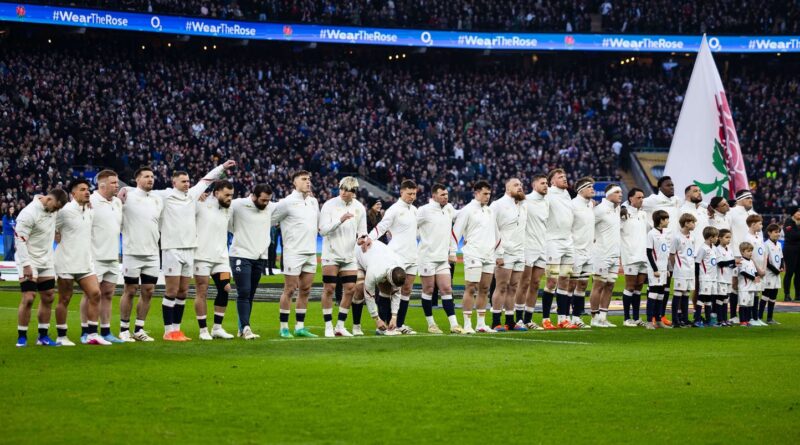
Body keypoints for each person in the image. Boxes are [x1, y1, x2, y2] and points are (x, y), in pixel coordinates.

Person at [139, 160, 234, 341]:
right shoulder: (164, 195)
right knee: (172, 290)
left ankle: (177, 329)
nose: (187, 183)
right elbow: (142, 191)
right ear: (174, 182)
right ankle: (168, 331)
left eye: (188, 181)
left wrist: (222, 167)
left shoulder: (192, 196)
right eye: (183, 181)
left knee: (183, 291)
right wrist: (124, 190)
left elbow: (207, 180)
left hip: (190, 249)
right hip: (172, 248)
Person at [54, 179, 108, 346]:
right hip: (66, 261)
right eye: (82, 189)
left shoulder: (89, 210)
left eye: (88, 190)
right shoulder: (64, 212)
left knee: (95, 294)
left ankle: (91, 334)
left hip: (85, 261)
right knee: (65, 298)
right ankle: (61, 336)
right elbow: (51, 227)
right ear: (73, 193)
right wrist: (56, 235)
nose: (87, 192)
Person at [14, 189, 68, 347]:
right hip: (29, 260)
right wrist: (26, 265)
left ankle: (42, 337)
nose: (56, 211)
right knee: (29, 297)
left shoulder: (53, 209)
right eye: (56, 207)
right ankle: (22, 336)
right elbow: (20, 240)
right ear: (49, 199)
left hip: (47, 260)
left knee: (49, 296)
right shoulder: (28, 213)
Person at [318, 176, 369, 338]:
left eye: (348, 190)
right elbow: (323, 230)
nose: (344, 192)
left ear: (354, 192)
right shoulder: (329, 205)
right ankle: (328, 325)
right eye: (342, 188)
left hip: (349, 254)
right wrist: (340, 220)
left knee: (350, 289)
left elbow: (362, 230)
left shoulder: (359, 207)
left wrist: (362, 239)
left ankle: (340, 325)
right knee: (329, 289)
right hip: (331, 254)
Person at [272, 170, 321, 338]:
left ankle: (300, 327)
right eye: (304, 179)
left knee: (305, 290)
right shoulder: (286, 202)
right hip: (293, 252)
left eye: (309, 179)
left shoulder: (313, 202)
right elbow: (270, 220)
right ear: (294, 182)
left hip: (311, 251)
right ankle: (283, 327)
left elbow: (319, 224)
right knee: (290, 289)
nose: (308, 182)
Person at [368, 179, 419, 335]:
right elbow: (382, 226)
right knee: (390, 290)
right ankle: (383, 325)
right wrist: (369, 238)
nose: (412, 196)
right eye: (409, 193)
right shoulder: (394, 209)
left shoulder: (415, 210)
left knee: (407, 290)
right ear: (401, 192)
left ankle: (399, 324)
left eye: (414, 194)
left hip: (412, 256)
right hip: (397, 256)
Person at [119, 166, 164, 342]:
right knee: (130, 290)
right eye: (146, 176)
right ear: (137, 179)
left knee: (149, 291)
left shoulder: (157, 199)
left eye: (152, 176)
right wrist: (125, 188)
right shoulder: (127, 196)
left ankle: (139, 329)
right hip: (132, 252)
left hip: (153, 252)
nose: (150, 179)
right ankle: (123, 329)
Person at [453, 180, 499, 334]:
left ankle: (481, 324)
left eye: (489, 194)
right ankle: (467, 324)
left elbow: (496, 233)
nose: (488, 197)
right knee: (471, 287)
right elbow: (456, 232)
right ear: (476, 193)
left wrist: (499, 252)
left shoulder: (490, 211)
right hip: (473, 253)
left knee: (485, 289)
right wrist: (452, 251)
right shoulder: (467, 210)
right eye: (485, 193)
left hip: (488, 254)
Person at [229, 184, 273, 339]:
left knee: (251, 294)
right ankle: (246, 328)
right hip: (240, 254)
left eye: (268, 200)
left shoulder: (269, 208)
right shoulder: (238, 204)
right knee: (244, 291)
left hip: (260, 257)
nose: (266, 203)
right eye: (263, 200)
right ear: (253, 196)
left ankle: (242, 328)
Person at [193, 180, 236, 340]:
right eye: (226, 195)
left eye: (231, 195)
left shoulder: (228, 208)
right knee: (202, 291)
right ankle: (203, 330)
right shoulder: (200, 203)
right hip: (201, 256)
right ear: (216, 192)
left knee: (225, 288)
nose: (229, 198)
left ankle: (217, 328)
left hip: (221, 258)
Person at [417, 183, 462, 334]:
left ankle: (454, 325)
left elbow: (461, 215)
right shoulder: (424, 210)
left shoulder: (449, 208)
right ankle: (431, 324)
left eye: (447, 194)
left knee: (446, 289)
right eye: (442, 194)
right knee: (428, 290)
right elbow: (410, 225)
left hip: (442, 258)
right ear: (434, 196)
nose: (446, 197)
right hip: (427, 257)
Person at [87, 170, 125, 343]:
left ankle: (106, 331)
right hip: (94, 256)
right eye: (114, 183)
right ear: (102, 185)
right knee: (91, 294)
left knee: (108, 294)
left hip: (112, 256)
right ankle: (86, 330)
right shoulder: (90, 201)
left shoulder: (117, 202)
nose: (117, 186)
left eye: (117, 183)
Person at [489, 178, 527, 331]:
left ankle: (510, 321)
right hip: (504, 252)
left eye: (521, 185)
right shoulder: (497, 205)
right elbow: (492, 229)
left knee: (514, 287)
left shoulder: (523, 205)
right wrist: (498, 253)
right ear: (507, 188)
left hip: (520, 252)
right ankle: (496, 321)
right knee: (501, 287)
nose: (520, 187)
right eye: (516, 185)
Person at [354, 239, 408, 335]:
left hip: (377, 257)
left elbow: (396, 293)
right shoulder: (375, 272)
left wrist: (394, 317)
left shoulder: (400, 269)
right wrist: (376, 319)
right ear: (388, 277)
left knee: (386, 290)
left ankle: (382, 329)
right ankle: (356, 326)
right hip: (358, 254)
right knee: (359, 291)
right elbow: (369, 295)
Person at [542, 168, 574, 330]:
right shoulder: (548, 194)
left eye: (565, 176)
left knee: (565, 281)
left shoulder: (567, 194)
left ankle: (562, 318)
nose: (564, 178)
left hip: (568, 242)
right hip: (553, 242)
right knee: (551, 280)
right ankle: (546, 319)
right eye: (560, 177)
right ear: (552, 181)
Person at [516, 174, 549, 330]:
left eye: (547, 183)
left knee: (536, 284)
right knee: (524, 283)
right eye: (542, 183)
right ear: (534, 185)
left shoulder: (547, 202)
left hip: (542, 247)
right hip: (528, 247)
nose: (546, 185)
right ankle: (518, 319)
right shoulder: (526, 201)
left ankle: (528, 319)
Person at [590, 184, 622, 328]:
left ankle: (603, 317)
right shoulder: (599, 210)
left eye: (621, 192)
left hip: (615, 255)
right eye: (617, 192)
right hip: (601, 254)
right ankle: (594, 317)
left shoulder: (618, 209)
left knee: (610, 285)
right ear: (608, 194)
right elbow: (586, 225)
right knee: (598, 285)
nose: (620, 194)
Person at [569, 177, 595, 328]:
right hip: (575, 251)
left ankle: (576, 317)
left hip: (589, 251)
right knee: (571, 285)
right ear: (581, 190)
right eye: (590, 187)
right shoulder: (572, 205)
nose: (592, 189)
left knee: (583, 285)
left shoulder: (590, 205)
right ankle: (565, 316)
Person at [620, 188, 648, 327]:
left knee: (638, 287)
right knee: (630, 286)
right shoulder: (623, 213)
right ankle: (626, 318)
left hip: (643, 255)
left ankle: (636, 317)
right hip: (630, 255)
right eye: (638, 197)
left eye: (642, 197)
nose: (641, 200)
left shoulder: (643, 214)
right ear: (630, 198)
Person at [669, 213, 697, 327]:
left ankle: (685, 319)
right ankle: (675, 320)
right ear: (686, 223)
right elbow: (671, 254)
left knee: (686, 294)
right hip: (681, 270)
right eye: (692, 222)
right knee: (678, 294)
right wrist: (676, 267)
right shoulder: (676, 237)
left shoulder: (693, 237)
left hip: (690, 269)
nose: (694, 225)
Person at [645, 210, 671, 330]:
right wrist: (655, 269)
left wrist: (666, 269)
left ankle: (659, 320)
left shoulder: (665, 233)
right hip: (654, 269)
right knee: (653, 294)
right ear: (660, 220)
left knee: (661, 295)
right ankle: (649, 321)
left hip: (663, 269)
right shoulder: (651, 234)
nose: (668, 221)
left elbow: (664, 253)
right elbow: (649, 252)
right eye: (666, 219)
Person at [694, 227, 719, 327]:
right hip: (705, 277)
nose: (717, 238)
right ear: (710, 237)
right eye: (716, 237)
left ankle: (709, 320)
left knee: (709, 299)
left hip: (713, 278)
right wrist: (698, 277)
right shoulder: (703, 248)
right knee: (702, 297)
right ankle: (697, 320)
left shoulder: (714, 248)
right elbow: (697, 263)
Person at [745, 215, 768, 326]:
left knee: (757, 293)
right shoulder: (747, 237)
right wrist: (758, 269)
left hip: (761, 269)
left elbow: (763, 253)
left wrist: (763, 267)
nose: (761, 226)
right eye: (760, 223)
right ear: (753, 224)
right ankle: (750, 318)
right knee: (751, 293)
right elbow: (749, 256)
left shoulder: (759, 236)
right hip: (752, 270)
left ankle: (756, 317)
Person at [760, 223, 784, 324]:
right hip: (769, 274)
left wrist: (782, 266)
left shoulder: (778, 244)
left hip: (777, 274)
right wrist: (775, 270)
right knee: (765, 296)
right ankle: (759, 317)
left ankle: (770, 318)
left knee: (773, 296)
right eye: (775, 232)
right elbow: (766, 260)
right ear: (769, 233)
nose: (778, 234)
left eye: (778, 232)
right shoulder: (766, 244)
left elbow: (781, 257)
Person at [714, 229, 737, 326]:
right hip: (721, 278)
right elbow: (720, 263)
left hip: (728, 278)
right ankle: (720, 319)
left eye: (730, 237)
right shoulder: (717, 249)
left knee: (726, 299)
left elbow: (730, 263)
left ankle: (725, 319)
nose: (729, 240)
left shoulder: (730, 249)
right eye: (726, 237)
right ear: (719, 238)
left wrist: (735, 264)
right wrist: (732, 262)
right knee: (720, 298)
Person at [736, 242, 759, 327]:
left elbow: (755, 271)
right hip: (744, 287)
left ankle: (748, 320)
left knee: (749, 305)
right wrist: (753, 278)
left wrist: (757, 276)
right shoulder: (742, 261)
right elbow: (742, 272)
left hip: (751, 287)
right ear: (742, 252)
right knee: (743, 305)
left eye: (751, 251)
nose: (750, 253)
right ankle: (742, 321)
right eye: (748, 251)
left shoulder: (751, 262)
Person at [782, 207, 800, 301]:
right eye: (798, 212)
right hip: (790, 250)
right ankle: (787, 294)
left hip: (798, 250)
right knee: (789, 272)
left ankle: (798, 295)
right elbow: (791, 236)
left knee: (799, 274)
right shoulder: (788, 222)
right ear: (793, 214)